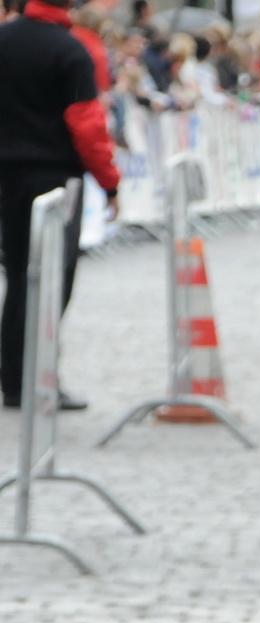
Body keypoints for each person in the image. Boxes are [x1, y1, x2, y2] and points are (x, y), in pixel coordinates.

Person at [0, 0, 121, 412]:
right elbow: (86, 123)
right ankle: (38, 376)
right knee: (51, 278)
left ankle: (14, 378)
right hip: (54, 179)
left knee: (19, 276)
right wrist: (109, 182)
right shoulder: (69, 49)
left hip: (7, 178)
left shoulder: (5, 39)